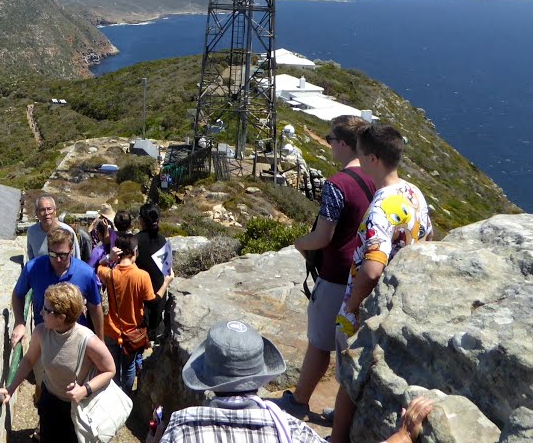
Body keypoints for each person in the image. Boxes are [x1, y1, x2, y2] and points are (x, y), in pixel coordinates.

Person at [150, 319, 435, 443]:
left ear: (207, 378)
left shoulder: (181, 427)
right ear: (260, 373)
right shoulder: (289, 429)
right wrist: (404, 435)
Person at [330, 124, 433, 443]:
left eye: (360, 155)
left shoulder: (381, 206)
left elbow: (373, 268)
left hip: (368, 305)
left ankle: (336, 438)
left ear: (373, 158)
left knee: (348, 378)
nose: (357, 161)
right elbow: (428, 240)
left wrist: (352, 305)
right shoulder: (414, 192)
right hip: (402, 302)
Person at [285, 115, 376, 413]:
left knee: (321, 342)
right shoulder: (375, 179)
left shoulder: (338, 184)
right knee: (354, 349)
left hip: (337, 275)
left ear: (344, 144)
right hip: (367, 272)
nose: (328, 145)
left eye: (330, 140)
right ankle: (347, 412)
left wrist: (300, 243)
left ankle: (299, 401)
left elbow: (324, 236)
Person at [0, 283, 116, 443]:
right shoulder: (41, 332)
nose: (41, 312)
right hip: (50, 402)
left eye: (46, 310)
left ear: (61, 318)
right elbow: (28, 360)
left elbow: (110, 370)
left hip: (76, 409)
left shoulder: (88, 341)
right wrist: (10, 388)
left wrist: (84, 390)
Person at [98, 234, 173, 393]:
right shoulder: (141, 276)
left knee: (112, 367)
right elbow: (153, 302)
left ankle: (114, 393)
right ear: (135, 251)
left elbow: (98, 267)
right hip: (132, 333)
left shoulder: (109, 273)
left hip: (111, 330)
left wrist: (109, 258)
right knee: (129, 367)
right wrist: (166, 283)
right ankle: (126, 394)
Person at [11, 228, 104, 350]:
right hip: (44, 338)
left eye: (62, 255)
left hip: (76, 340)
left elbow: (95, 308)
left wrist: (100, 340)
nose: (57, 260)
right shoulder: (33, 268)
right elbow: (18, 294)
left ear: (72, 250)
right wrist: (19, 323)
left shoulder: (86, 273)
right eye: (53, 254)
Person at [135, 203, 173, 340]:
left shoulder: (136, 240)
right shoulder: (163, 240)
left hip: (141, 293)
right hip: (159, 292)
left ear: (142, 220)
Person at [27, 195, 78, 260]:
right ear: (37, 213)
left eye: (49, 209)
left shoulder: (67, 231)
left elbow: (76, 258)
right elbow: (31, 257)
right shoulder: (32, 232)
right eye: (42, 210)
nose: (46, 213)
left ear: (55, 211)